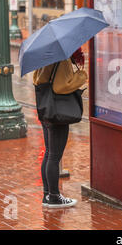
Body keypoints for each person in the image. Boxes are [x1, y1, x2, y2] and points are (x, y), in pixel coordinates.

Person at [33, 48, 87, 208]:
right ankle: (55, 197)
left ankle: (47, 195)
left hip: (46, 108)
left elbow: (38, 79)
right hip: (57, 111)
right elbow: (62, 86)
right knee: (54, 156)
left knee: (49, 153)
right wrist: (81, 76)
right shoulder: (61, 58)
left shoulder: (43, 55)